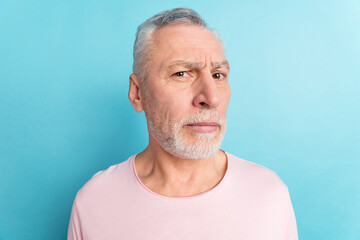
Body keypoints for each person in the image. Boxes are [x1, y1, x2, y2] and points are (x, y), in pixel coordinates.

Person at [68, 8, 298, 240]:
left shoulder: (269, 195)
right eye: (181, 73)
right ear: (137, 93)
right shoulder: (94, 202)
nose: (211, 98)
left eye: (218, 75)